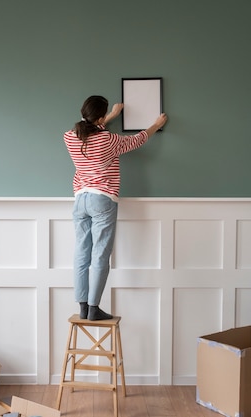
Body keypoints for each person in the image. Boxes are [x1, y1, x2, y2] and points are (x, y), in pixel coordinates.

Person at [64, 95, 168, 320]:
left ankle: (83, 306)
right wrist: (156, 125)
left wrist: (110, 116)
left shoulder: (70, 137)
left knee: (81, 254)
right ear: (100, 117)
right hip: (102, 198)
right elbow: (137, 140)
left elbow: (88, 128)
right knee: (100, 254)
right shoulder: (108, 139)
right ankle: (93, 308)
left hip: (80, 198)